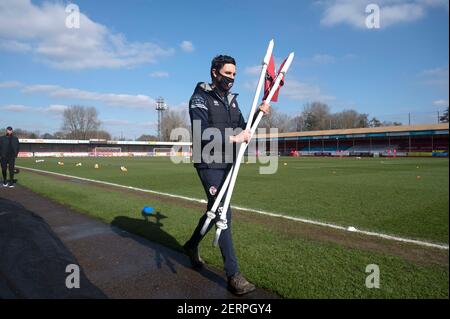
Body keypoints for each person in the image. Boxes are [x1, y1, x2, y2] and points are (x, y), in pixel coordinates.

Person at [183, 55, 270, 296]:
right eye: (227, 73)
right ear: (214, 72)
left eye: (234, 74)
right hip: (208, 162)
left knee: (214, 211)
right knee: (223, 213)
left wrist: (259, 113)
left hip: (229, 162)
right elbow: (201, 135)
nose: (231, 78)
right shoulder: (199, 98)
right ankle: (234, 276)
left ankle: (191, 245)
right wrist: (234, 138)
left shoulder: (231, 101)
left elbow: (244, 128)